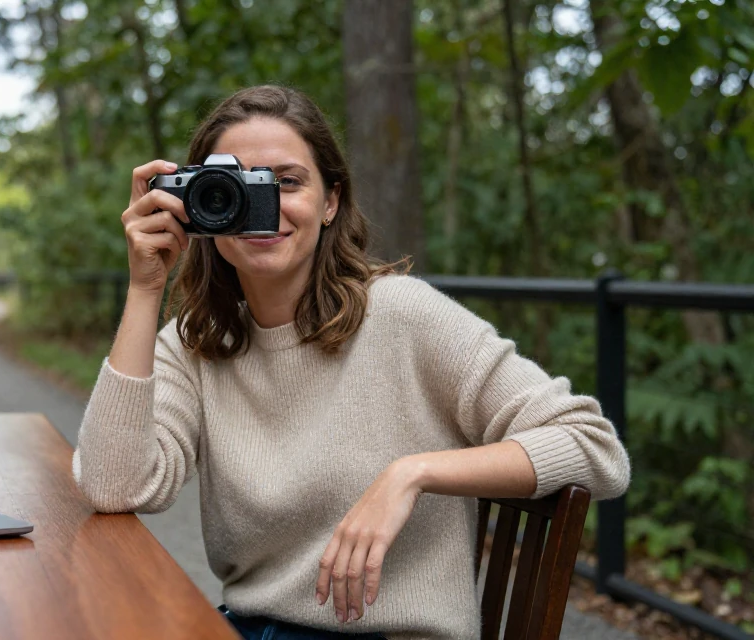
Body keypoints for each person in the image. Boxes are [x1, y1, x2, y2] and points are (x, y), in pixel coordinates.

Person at [72, 85, 630, 640]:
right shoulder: (199, 342)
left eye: (286, 181)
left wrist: (414, 472)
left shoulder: (403, 315)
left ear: (331, 201)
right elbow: (115, 487)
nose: (262, 205)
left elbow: (594, 446)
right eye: (235, 185)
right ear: (197, 204)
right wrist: (146, 288)